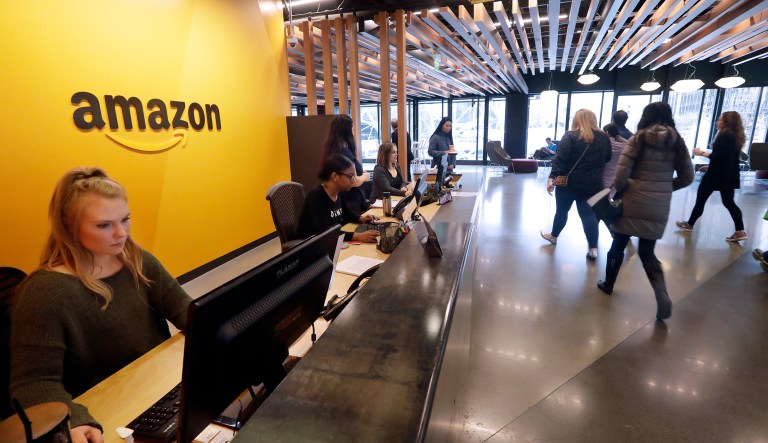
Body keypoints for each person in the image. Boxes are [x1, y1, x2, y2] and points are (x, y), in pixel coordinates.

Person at [10, 167, 192, 442]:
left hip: (157, 390)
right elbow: (33, 383)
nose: (121, 233)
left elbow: (188, 312)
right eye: (104, 225)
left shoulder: (139, 261)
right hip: (103, 412)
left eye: (125, 219)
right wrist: (74, 419)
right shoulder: (44, 293)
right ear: (69, 227)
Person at [597, 102, 694, 321]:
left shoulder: (637, 139)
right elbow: (687, 177)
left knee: (618, 244)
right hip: (658, 205)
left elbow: (620, 178)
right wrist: (664, 187)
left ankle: (608, 284)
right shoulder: (677, 141)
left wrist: (629, 188)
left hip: (631, 201)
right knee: (647, 252)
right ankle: (661, 295)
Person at [541, 109, 612, 260]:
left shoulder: (570, 136)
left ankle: (553, 236)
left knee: (562, 211)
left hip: (568, 183)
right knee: (588, 214)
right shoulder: (604, 137)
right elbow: (608, 157)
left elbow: (560, 159)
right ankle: (593, 249)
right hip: (593, 184)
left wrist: (551, 178)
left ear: (577, 120)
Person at [675, 111, 747, 242]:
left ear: (726, 123)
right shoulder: (735, 137)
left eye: (720, 120)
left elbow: (719, 156)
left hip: (716, 176)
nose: (717, 122)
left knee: (701, 199)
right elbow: (727, 159)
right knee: (729, 202)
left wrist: (701, 153)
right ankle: (740, 230)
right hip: (726, 175)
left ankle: (689, 224)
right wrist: (709, 166)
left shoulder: (724, 136)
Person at [298, 154, 380, 243]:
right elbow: (325, 231)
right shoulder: (316, 196)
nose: (353, 180)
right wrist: (357, 236)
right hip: (311, 244)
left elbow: (347, 213)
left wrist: (361, 218)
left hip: (330, 241)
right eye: (350, 176)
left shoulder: (339, 192)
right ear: (335, 176)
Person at [321, 114, 370, 216]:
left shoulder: (332, 150)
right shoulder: (344, 152)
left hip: (344, 202)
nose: (354, 133)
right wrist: (365, 177)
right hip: (351, 202)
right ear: (347, 132)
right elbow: (353, 181)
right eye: (352, 129)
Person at [602, 123, 625, 193]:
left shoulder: (603, 144)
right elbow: (629, 144)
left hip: (602, 178)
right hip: (613, 180)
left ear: (606, 132)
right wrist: (621, 139)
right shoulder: (622, 146)